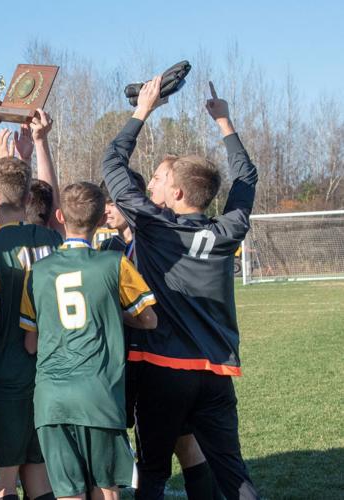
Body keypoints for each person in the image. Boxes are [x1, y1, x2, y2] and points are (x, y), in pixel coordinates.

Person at [102, 77, 259, 500]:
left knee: (152, 473)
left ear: (177, 192)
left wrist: (143, 110)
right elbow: (245, 179)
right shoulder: (228, 230)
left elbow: (113, 165)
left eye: (160, 178)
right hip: (216, 373)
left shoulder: (153, 227)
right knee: (233, 474)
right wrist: (224, 122)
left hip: (164, 368)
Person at [19, 181, 157, 500]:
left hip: (52, 399)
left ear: (59, 216)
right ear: (100, 221)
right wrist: (114, 312)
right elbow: (150, 319)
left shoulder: (37, 272)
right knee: (107, 490)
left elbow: (30, 343)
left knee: (68, 492)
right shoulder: (115, 264)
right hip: (99, 394)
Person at [100, 175, 223, 499]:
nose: (107, 209)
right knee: (182, 442)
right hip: (141, 357)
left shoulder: (153, 242)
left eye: (113, 201)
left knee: (172, 449)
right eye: (105, 202)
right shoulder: (111, 247)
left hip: (154, 361)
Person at [0, 111, 62, 500]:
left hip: (5, 378)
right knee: (41, 480)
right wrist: (38, 145)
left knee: (1, 486)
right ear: (28, 198)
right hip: (49, 374)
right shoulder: (52, 240)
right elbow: (53, 205)